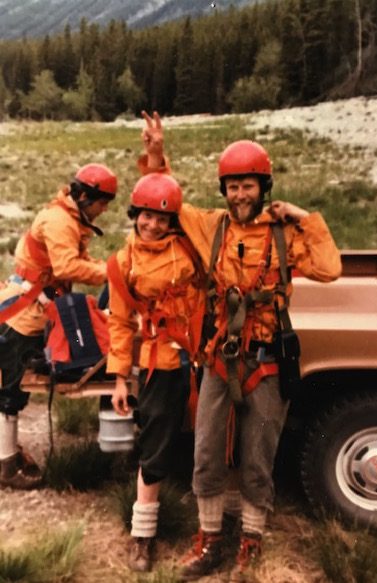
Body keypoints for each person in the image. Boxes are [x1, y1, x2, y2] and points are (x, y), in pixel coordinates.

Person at [140, 112, 342, 582]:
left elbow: (331, 268)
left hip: (267, 364)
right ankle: (209, 539)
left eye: (248, 185)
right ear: (224, 191)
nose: (240, 194)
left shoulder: (285, 235)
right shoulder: (211, 228)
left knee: (257, 457)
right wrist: (154, 152)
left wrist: (304, 218)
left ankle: (251, 539)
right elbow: (163, 197)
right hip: (219, 360)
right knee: (207, 452)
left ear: (263, 186)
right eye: (232, 186)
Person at [107, 172, 204, 573]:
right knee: (155, 444)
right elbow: (119, 322)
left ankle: (218, 525)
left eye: (162, 219)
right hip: (159, 361)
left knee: (220, 435)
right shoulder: (122, 262)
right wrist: (119, 378)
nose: (152, 225)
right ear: (135, 214)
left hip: (202, 354)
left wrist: (159, 155)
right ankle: (142, 534)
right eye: (146, 215)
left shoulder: (189, 246)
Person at [0, 163, 117, 490]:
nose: (104, 209)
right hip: (24, 312)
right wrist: (112, 272)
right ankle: (6, 465)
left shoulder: (69, 217)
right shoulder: (58, 221)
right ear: (84, 196)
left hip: (39, 304)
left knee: (19, 381)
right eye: (102, 202)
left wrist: (108, 266)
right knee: (10, 389)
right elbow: (67, 266)